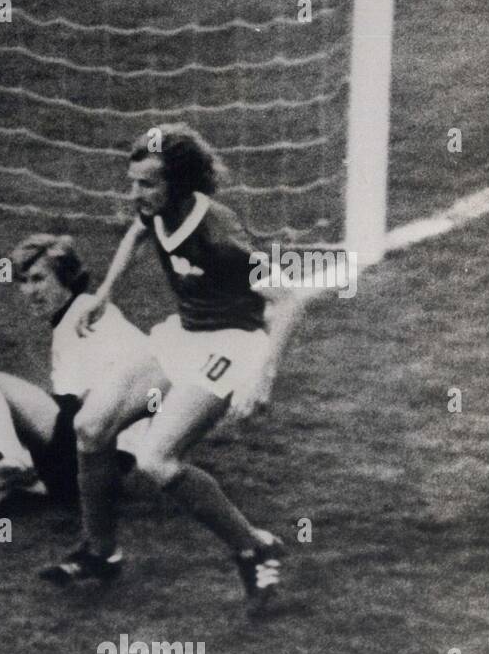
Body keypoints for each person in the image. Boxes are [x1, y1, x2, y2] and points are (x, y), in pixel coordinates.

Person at [39, 124, 304, 615]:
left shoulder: (220, 232)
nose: (135, 194)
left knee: (158, 460)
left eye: (147, 184)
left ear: (179, 184)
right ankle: (101, 554)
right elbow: (141, 231)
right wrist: (105, 292)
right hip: (182, 333)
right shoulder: (155, 211)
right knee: (90, 426)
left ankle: (254, 547)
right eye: (132, 182)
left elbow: (288, 299)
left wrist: (261, 378)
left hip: (231, 344)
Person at [0, 233, 150, 525]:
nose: (29, 290)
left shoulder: (88, 314)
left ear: (66, 277)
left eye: (39, 279)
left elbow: (98, 400)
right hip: (99, 467)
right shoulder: (77, 318)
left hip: (99, 453)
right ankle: (5, 479)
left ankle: (9, 466)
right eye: (23, 281)